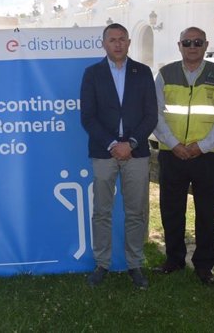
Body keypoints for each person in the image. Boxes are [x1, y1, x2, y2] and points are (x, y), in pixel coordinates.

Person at [80, 23, 157, 290]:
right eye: (112, 39)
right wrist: (114, 143)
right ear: (104, 43)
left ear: (128, 42)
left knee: (135, 212)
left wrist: (132, 143)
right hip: (104, 152)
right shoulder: (92, 74)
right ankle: (102, 264)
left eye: (122, 39)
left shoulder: (143, 72)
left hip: (136, 153)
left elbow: (151, 115)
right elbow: (87, 117)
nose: (118, 44)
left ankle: (134, 264)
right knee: (102, 211)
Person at [152, 27, 214, 284]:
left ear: (206, 44)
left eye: (197, 42)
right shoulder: (165, 74)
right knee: (171, 210)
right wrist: (174, 144)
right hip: (171, 154)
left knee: (206, 212)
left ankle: (204, 265)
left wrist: (203, 146)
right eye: (187, 42)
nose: (192, 46)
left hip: (207, 156)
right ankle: (174, 260)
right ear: (179, 45)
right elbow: (155, 113)